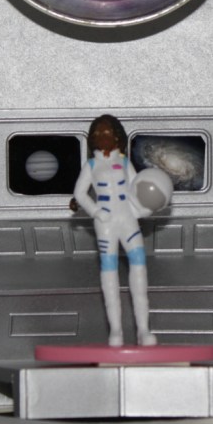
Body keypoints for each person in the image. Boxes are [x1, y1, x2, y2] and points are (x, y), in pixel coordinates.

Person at [72, 114, 157, 347]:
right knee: (109, 270)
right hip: (106, 223)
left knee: (138, 264)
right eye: (97, 133)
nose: (102, 136)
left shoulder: (125, 162)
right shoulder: (91, 165)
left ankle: (143, 330)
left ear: (117, 137)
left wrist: (144, 208)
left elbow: (137, 187)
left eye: (107, 132)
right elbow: (79, 194)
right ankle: (116, 331)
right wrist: (96, 211)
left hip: (127, 218)